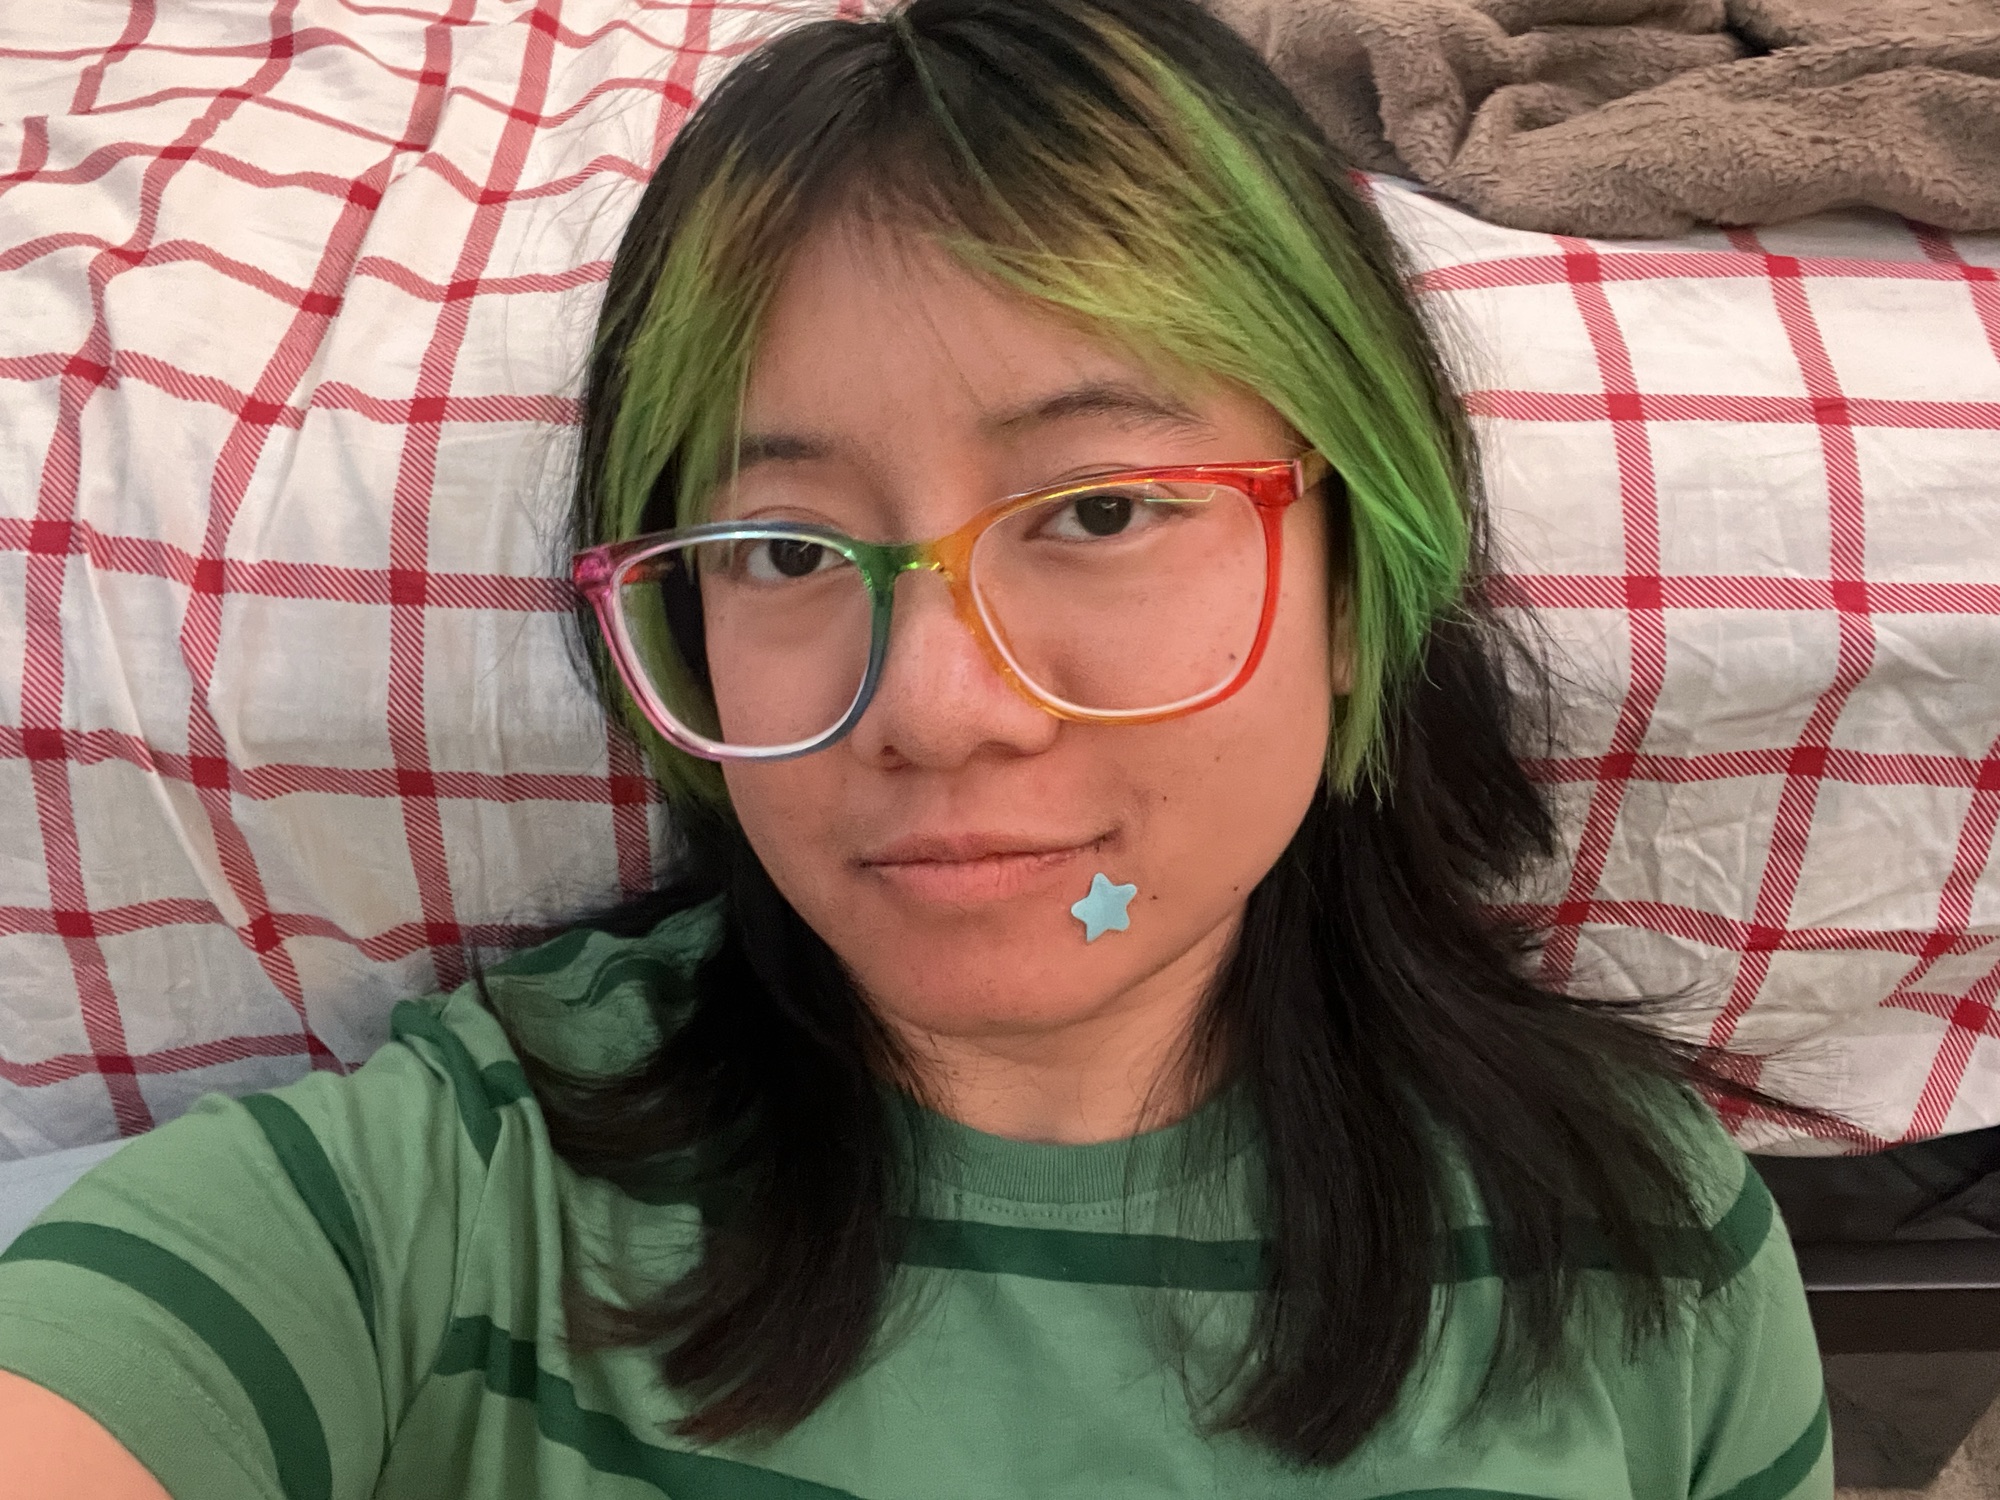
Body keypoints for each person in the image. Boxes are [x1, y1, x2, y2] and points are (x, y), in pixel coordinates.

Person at [0, 1, 1832, 1496]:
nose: (940, 711)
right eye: (787, 552)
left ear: (1358, 575)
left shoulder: (1653, 1251)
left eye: (1101, 511)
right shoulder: (451, 1204)